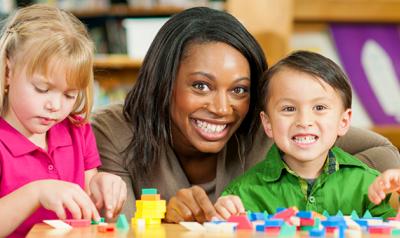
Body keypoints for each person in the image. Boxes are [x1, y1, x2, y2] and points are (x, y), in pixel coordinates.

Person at [91, 7, 400, 223]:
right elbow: (121, 226)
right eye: (201, 86)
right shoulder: (115, 130)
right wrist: (166, 217)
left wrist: (340, 195)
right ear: (164, 81)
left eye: (239, 90)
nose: (223, 108)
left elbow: (380, 152)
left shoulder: (269, 125)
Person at [215, 51, 396, 219]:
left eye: (319, 108)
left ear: (343, 121)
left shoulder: (369, 185)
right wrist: (225, 222)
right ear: (268, 123)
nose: (304, 121)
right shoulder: (243, 194)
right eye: (289, 109)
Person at [0, 4, 126, 237]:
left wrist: (102, 186)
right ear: (8, 72)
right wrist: (36, 193)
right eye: (42, 89)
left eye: (70, 94)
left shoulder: (77, 129)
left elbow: (90, 208)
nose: (55, 106)